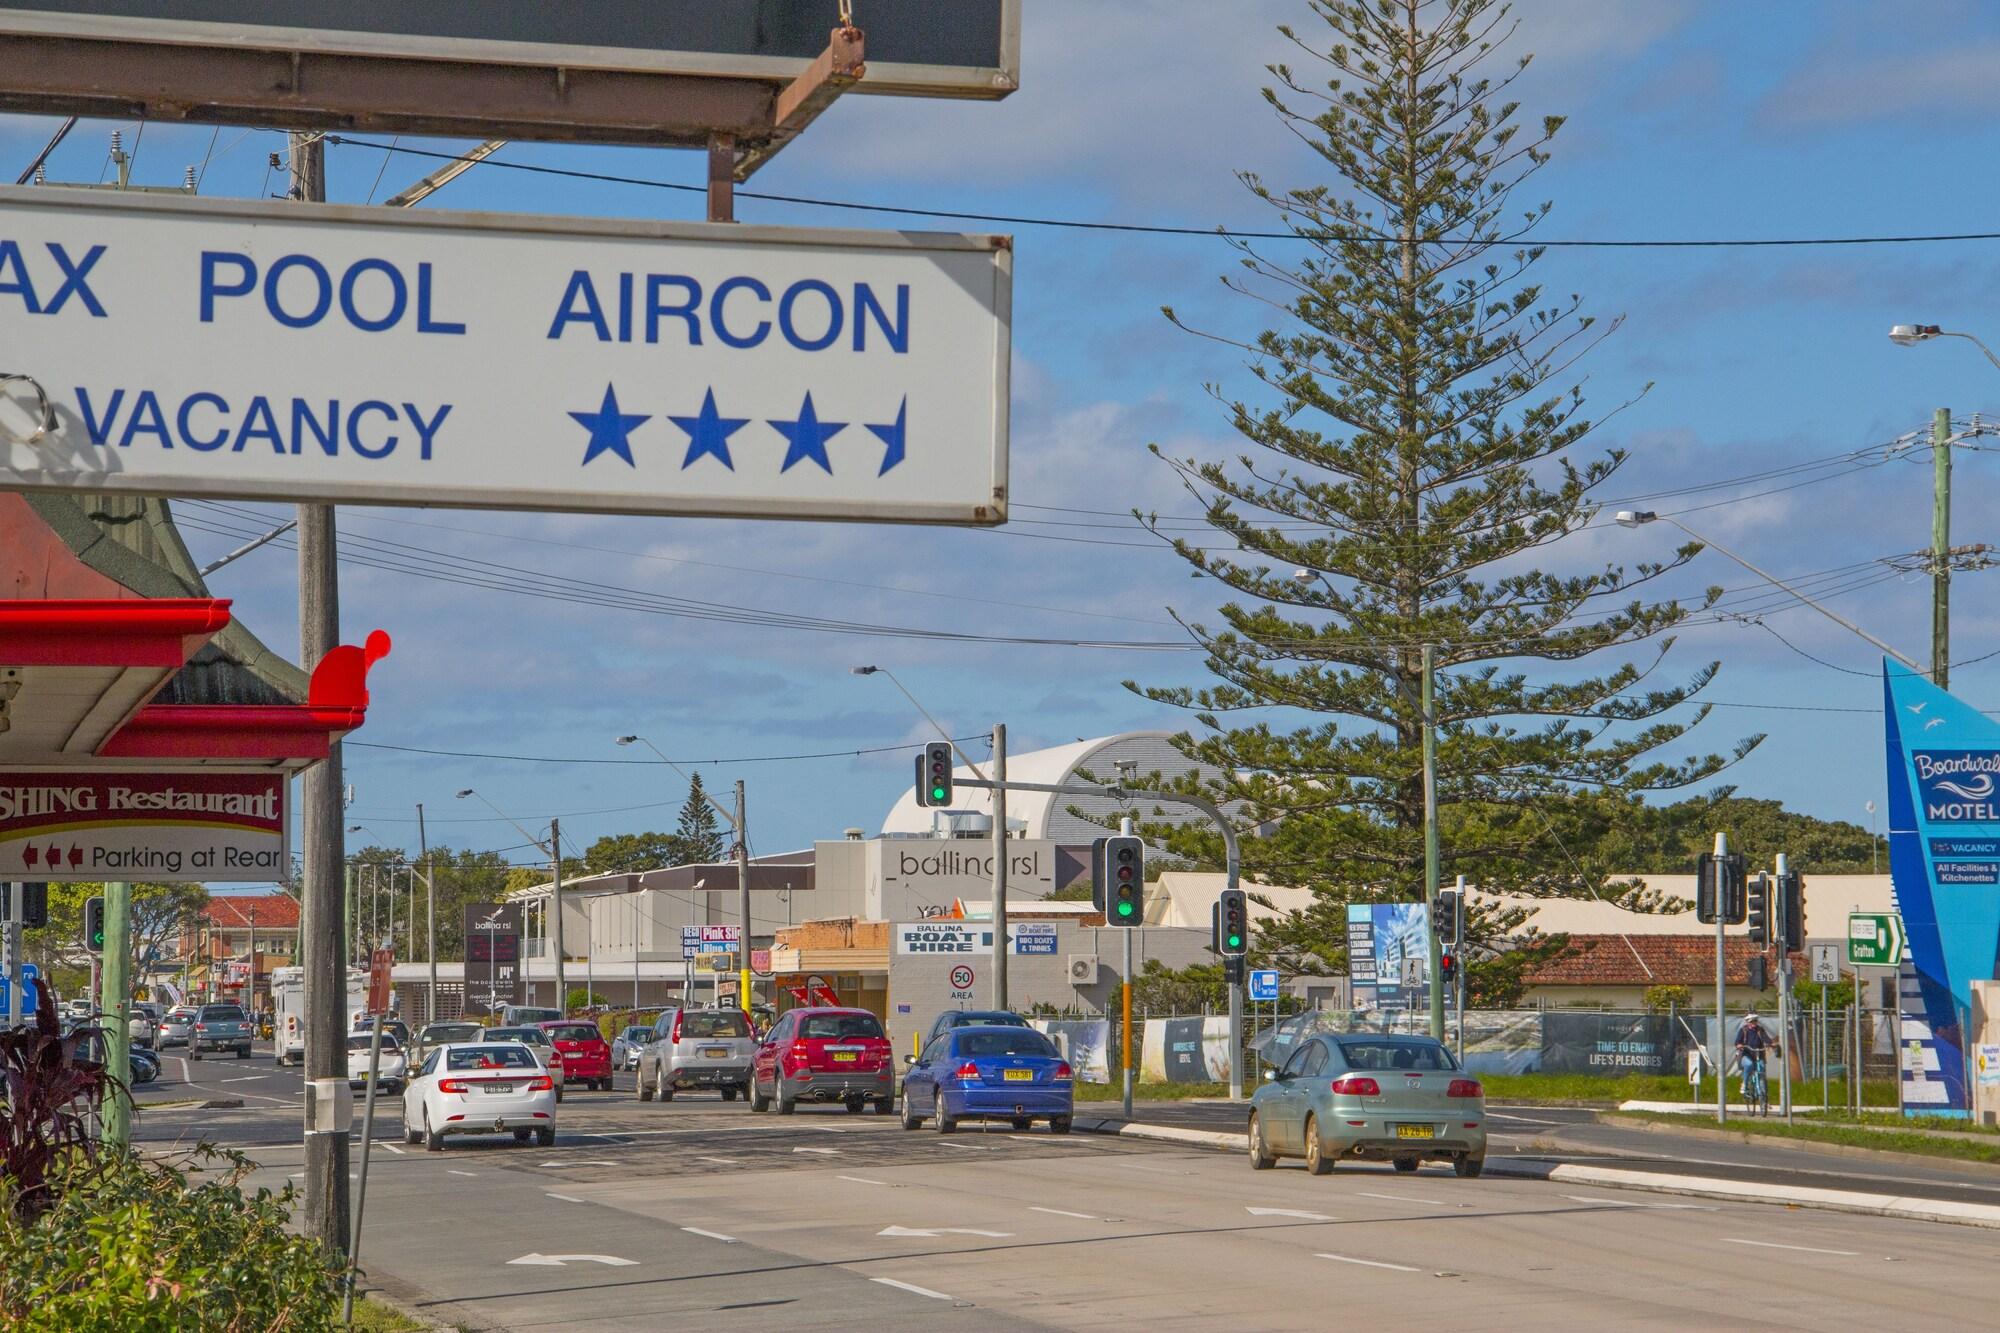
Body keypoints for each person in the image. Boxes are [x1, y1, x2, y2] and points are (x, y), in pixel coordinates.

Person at [1735, 1010, 1773, 1115]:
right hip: (1746, 1055)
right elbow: (1737, 1042)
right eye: (1752, 1021)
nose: (1754, 1023)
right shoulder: (1743, 1030)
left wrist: (1770, 1044)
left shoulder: (1760, 1030)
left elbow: (1766, 1039)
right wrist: (1740, 1045)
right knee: (1749, 1065)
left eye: (1755, 1020)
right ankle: (1745, 1084)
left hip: (1759, 1055)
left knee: (1761, 1072)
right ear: (1747, 1021)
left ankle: (1763, 1098)